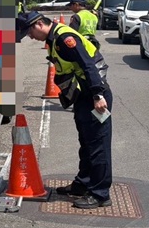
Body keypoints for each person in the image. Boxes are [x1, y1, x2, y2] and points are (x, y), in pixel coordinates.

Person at [16, 11, 113, 209]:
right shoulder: (54, 39)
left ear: (38, 25)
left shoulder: (64, 38)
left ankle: (100, 194)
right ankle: (83, 184)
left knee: (98, 145)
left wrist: (97, 95)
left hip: (95, 97)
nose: (30, 37)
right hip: (83, 97)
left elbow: (88, 65)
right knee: (86, 142)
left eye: (29, 33)